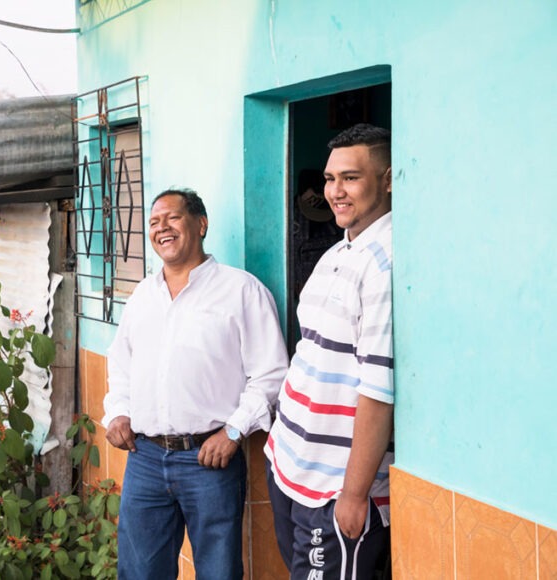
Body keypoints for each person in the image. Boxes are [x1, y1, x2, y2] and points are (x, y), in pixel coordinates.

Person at [103, 188, 289, 579]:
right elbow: (121, 363)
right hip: (145, 460)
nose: (161, 228)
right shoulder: (142, 295)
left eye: (172, 218)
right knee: (139, 572)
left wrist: (234, 431)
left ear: (200, 224)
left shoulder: (241, 291)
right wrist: (118, 412)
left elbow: (271, 374)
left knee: (218, 573)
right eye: (153, 222)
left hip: (208, 459)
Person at [264, 123, 394, 579]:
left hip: (336, 489)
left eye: (351, 178)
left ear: (388, 179)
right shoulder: (339, 250)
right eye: (329, 178)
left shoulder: (386, 263)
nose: (335, 192)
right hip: (291, 464)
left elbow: (379, 389)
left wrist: (355, 494)